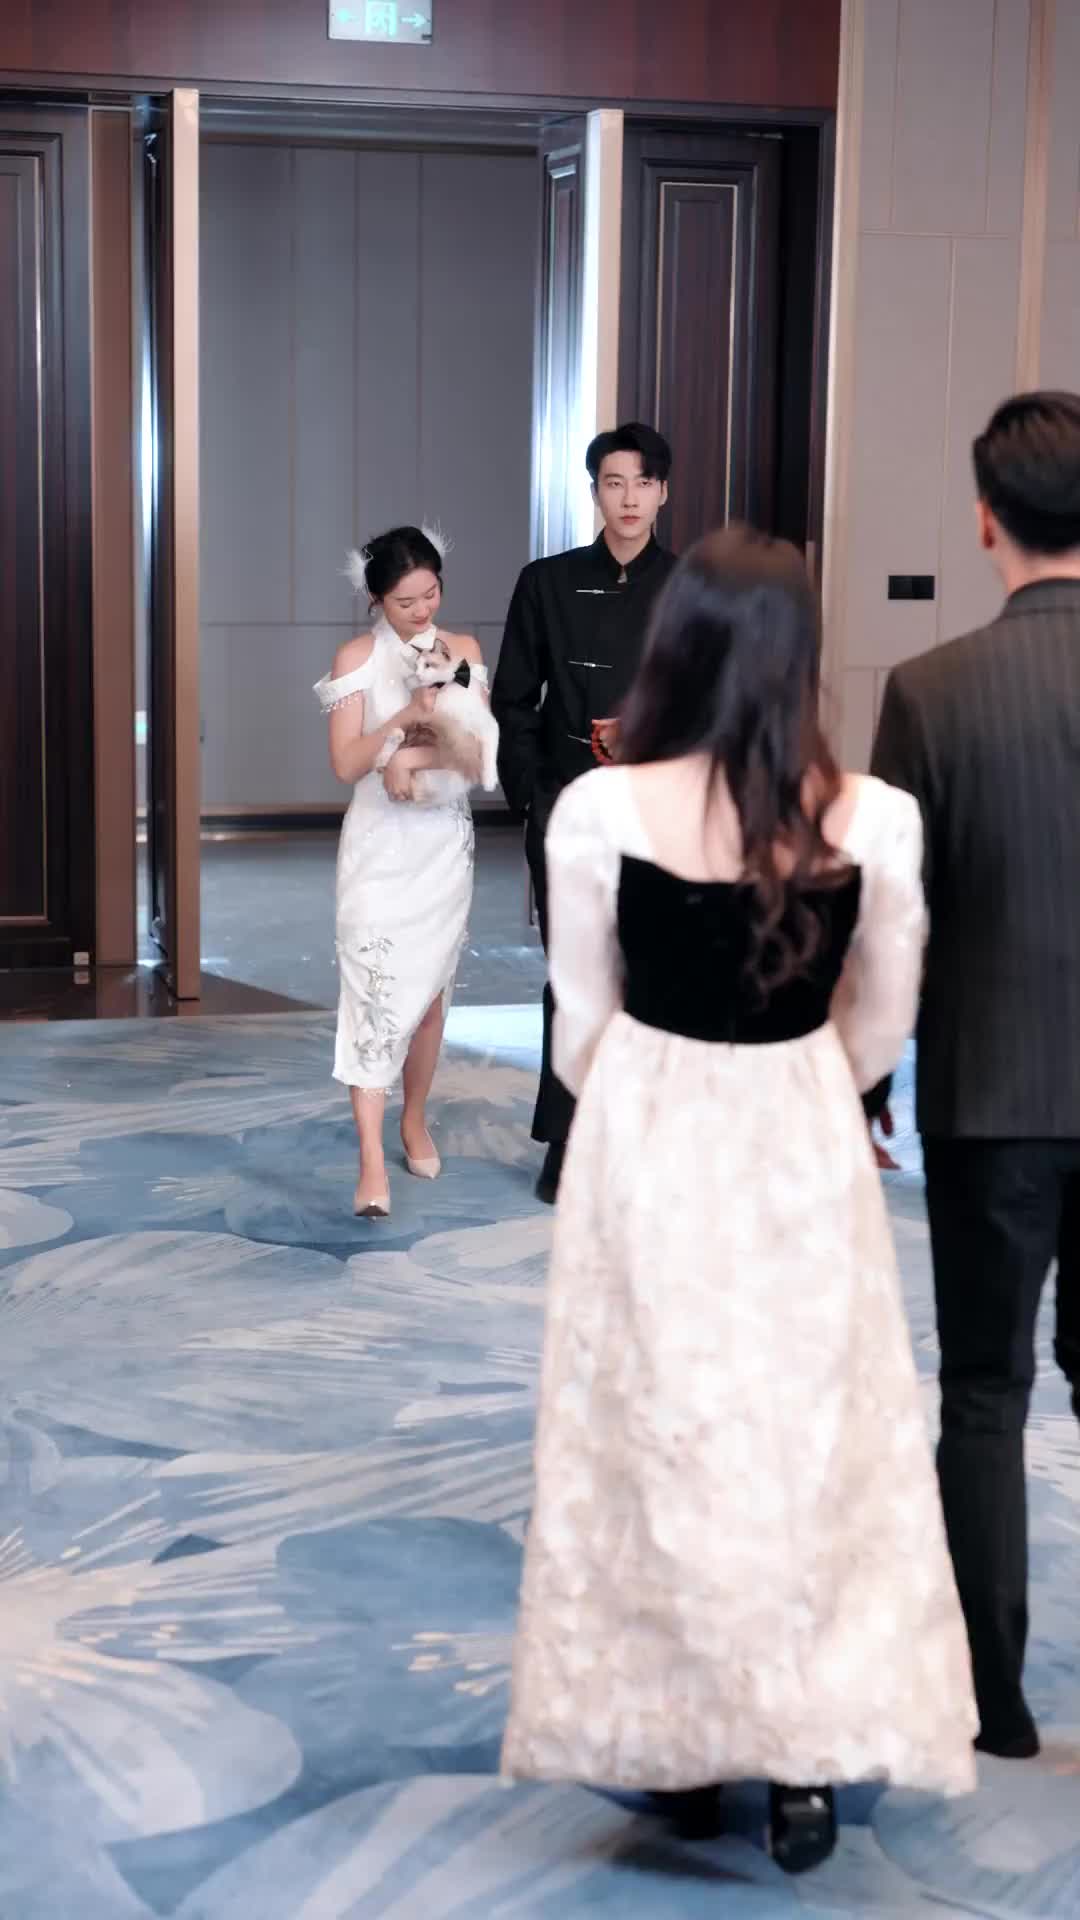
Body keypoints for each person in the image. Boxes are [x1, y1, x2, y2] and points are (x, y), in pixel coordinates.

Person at [502, 526, 977, 1873]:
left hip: (649, 1130)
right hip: (800, 1131)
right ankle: (801, 1762)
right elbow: (882, 1020)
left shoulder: (601, 813)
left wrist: (658, 1085)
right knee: (806, 1433)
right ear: (798, 659)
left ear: (677, 648)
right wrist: (807, 1080)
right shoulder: (873, 818)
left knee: (659, 1424)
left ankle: (685, 1739)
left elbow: (579, 1024)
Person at [870, 390, 1080, 1761]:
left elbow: (892, 914)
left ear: (986, 518)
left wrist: (865, 1078)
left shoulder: (932, 690)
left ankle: (991, 1703)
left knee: (987, 1392)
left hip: (991, 1091)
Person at [492, 423, 677, 1204]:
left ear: (663, 492)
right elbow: (512, 699)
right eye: (613, 482)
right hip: (568, 805)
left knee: (655, 976)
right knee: (574, 974)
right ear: (595, 490)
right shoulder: (547, 582)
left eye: (643, 483)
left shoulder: (693, 587)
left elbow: (713, 697)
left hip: (663, 811)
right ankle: (566, 1140)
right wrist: (534, 794)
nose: (628, 498)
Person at [314, 526, 488, 1218]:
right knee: (372, 991)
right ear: (376, 599)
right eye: (405, 601)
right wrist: (402, 726)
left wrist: (413, 757)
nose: (421, 611)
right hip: (379, 848)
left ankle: (413, 1119)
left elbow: (477, 751)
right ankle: (368, 1161)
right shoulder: (356, 659)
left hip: (440, 843)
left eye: (430, 594)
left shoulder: (464, 651)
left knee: (428, 1000)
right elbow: (344, 765)